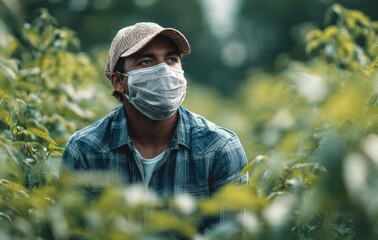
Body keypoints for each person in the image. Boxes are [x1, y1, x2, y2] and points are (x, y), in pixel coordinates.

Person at [60, 22, 248, 235]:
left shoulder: (220, 149)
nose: (164, 71)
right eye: (146, 61)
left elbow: (229, 235)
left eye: (171, 59)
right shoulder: (85, 151)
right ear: (118, 82)